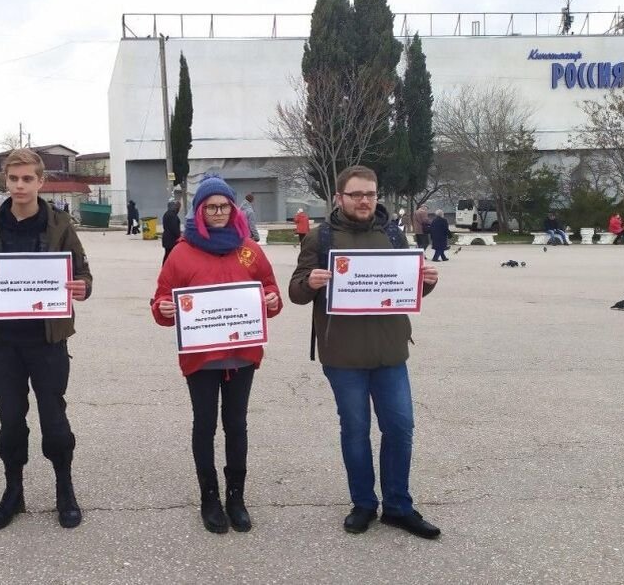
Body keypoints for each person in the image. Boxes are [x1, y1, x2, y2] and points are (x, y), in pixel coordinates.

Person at [288, 165, 441, 540]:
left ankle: (398, 506)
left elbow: (405, 289)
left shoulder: (393, 234)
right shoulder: (321, 238)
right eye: (355, 194)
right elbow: (295, 291)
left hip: (389, 351)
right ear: (339, 198)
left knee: (400, 429)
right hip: (343, 355)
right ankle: (363, 504)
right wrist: (310, 282)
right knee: (356, 431)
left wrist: (426, 283)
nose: (364, 201)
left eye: (370, 194)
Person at [0, 148, 93, 531]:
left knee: (54, 421)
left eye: (27, 179)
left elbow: (82, 273)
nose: (20, 185)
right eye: (13, 178)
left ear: (40, 181)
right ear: (6, 180)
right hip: (4, 342)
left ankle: (64, 490)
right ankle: (13, 492)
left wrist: (82, 287)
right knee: (10, 422)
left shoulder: (59, 224)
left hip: (48, 340)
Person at [151, 174, 282, 534]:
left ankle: (236, 497)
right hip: (201, 358)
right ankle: (209, 497)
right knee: (205, 424)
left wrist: (272, 301)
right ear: (199, 211)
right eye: (211, 207)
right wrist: (164, 308)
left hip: (242, 353)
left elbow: (269, 288)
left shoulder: (249, 249)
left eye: (224, 206)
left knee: (236, 424)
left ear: (233, 209)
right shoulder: (181, 253)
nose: (219, 212)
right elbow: (161, 298)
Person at [161, 200, 182, 264]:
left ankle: (165, 266)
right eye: (178, 207)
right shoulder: (172, 215)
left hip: (167, 238)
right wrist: (179, 236)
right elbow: (174, 228)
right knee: (169, 254)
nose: (179, 209)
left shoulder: (167, 213)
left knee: (168, 254)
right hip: (171, 240)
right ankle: (166, 267)